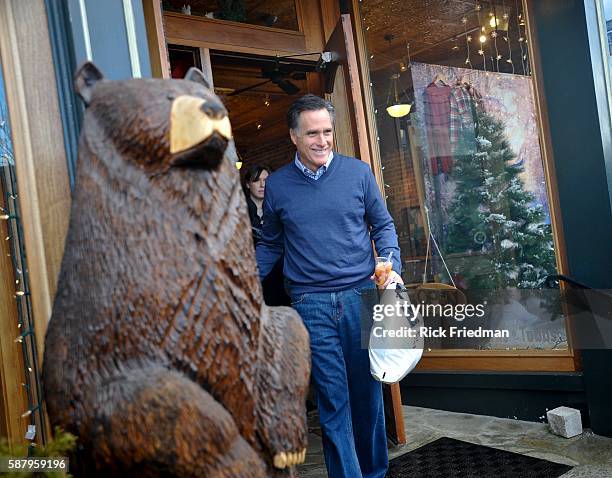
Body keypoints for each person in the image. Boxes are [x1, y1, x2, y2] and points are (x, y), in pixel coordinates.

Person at [256, 94, 402, 478]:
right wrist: (245, 281)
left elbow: (383, 225)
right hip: (310, 303)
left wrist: (389, 259)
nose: (322, 141)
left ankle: (374, 472)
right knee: (332, 400)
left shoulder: (358, 173)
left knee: (367, 396)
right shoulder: (279, 186)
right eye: (312, 134)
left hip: (361, 295)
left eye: (327, 132)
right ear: (293, 137)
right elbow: (271, 243)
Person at [244, 164, 290, 307]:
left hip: (279, 272)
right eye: (257, 180)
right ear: (247, 184)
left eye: (266, 180)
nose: (262, 185)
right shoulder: (239, 210)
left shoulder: (280, 208)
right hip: (251, 268)